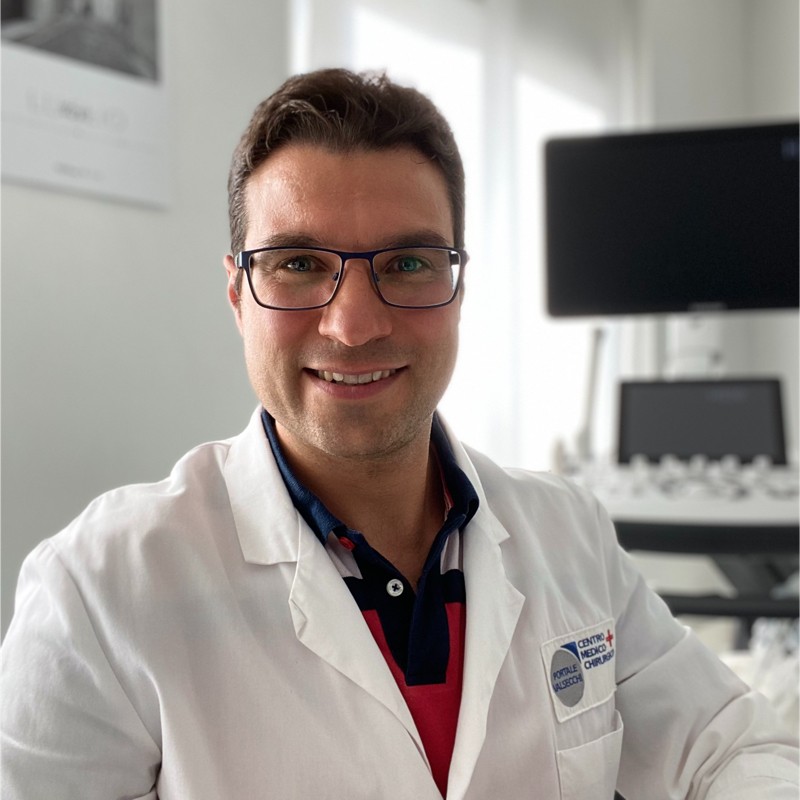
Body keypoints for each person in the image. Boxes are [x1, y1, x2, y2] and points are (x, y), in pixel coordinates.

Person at [1, 68, 797, 800]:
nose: (353, 326)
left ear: (458, 290)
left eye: (408, 264)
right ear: (239, 295)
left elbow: (733, 748)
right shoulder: (99, 591)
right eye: (299, 263)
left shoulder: (569, 535)